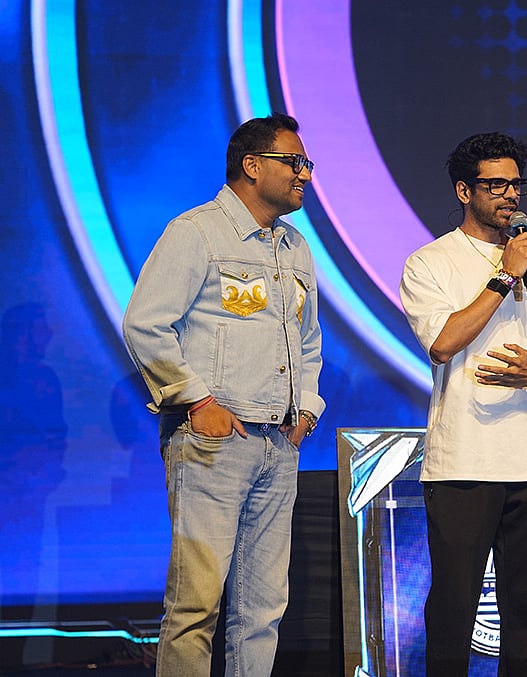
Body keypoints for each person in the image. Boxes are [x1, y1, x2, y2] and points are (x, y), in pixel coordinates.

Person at [122, 112, 324, 677]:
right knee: (196, 606)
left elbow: (308, 342)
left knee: (263, 610)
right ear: (252, 166)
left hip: (277, 446)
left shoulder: (295, 247)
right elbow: (146, 324)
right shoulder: (197, 232)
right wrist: (195, 401)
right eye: (295, 162)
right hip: (215, 444)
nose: (305, 174)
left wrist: (306, 408)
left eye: (306, 163)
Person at [400, 132, 527, 676]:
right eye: (496, 184)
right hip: (462, 462)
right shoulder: (430, 263)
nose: (510, 194)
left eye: (516, 183)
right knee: (455, 609)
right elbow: (442, 342)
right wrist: (503, 275)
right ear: (464, 190)